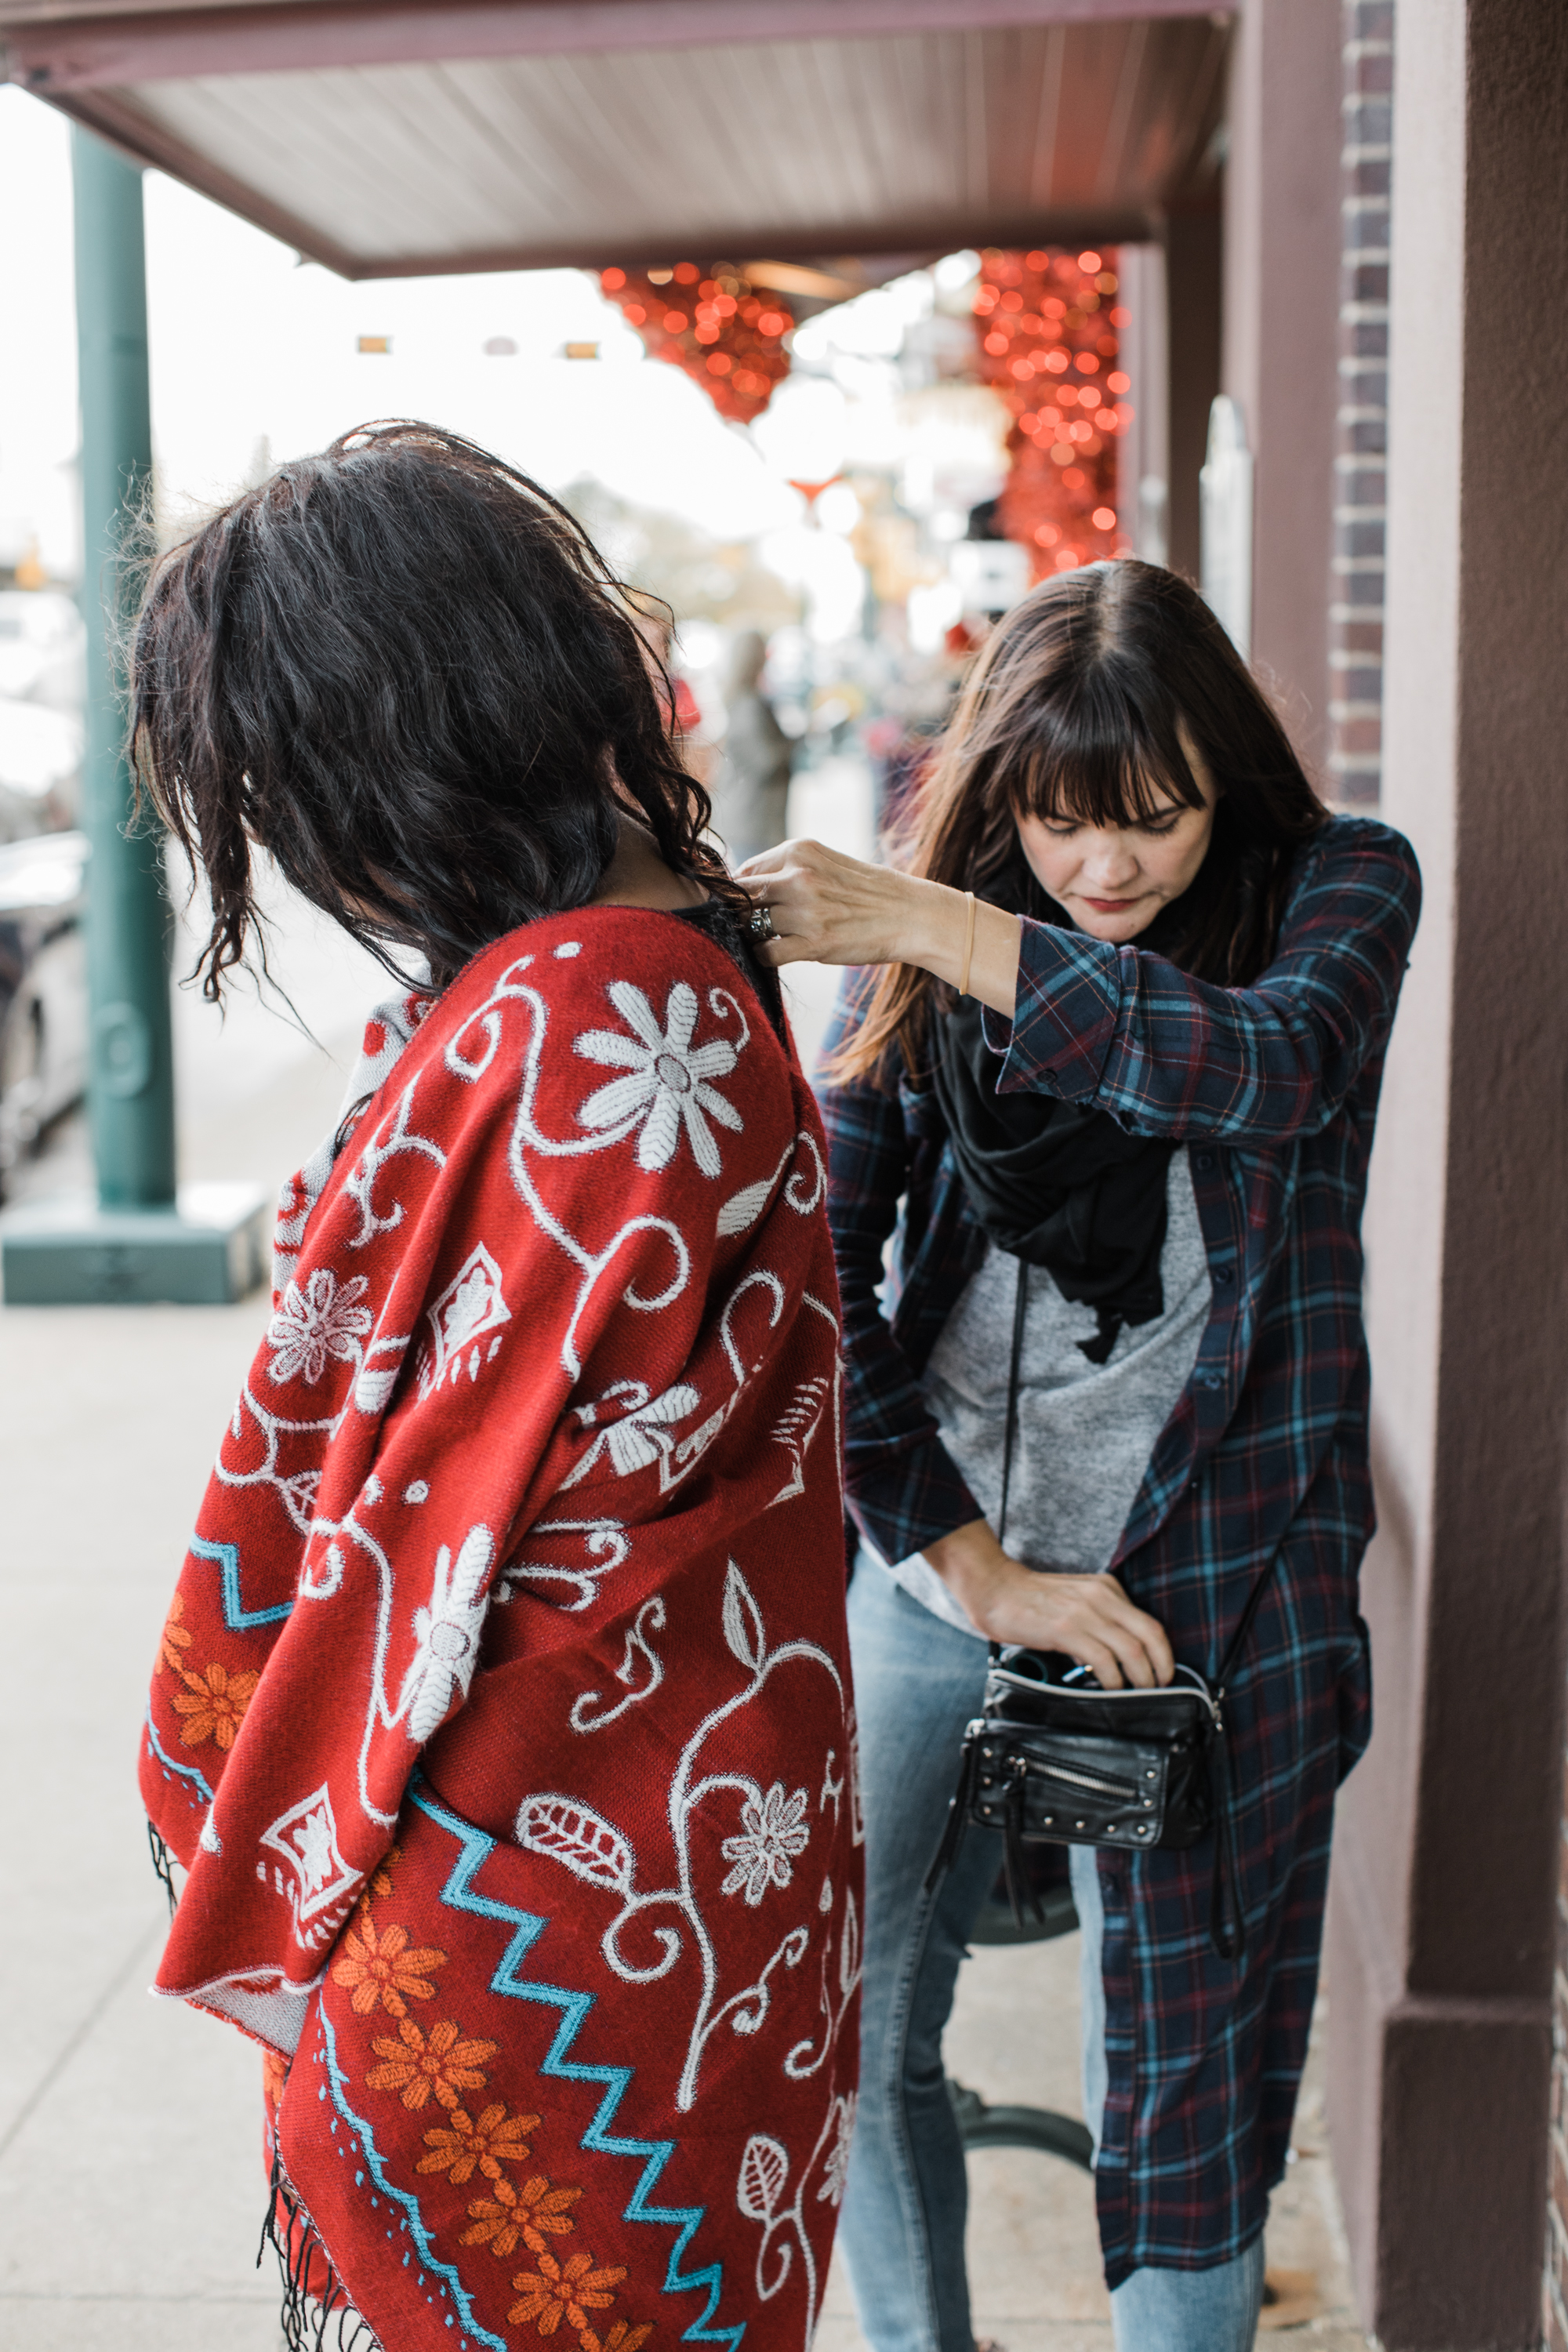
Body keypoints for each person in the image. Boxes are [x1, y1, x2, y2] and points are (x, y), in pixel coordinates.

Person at [133, 423, 859, 2352]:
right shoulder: (662, 955)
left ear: (416, 735)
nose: (314, 852)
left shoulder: (584, 1004)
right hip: (679, 1827)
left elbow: (428, 1505)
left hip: (523, 1881)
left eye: (301, 786)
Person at [735, 557, 1420, 2352]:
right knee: (846, 2009)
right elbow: (819, 1266)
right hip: (942, 1565)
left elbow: (1264, 1067)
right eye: (1056, 820)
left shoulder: (1335, 886)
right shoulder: (926, 951)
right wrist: (965, 1561)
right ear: (1003, 793)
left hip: (1212, 1592)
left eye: (1153, 816)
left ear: (1225, 784)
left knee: (1184, 2074)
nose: (1103, 867)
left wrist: (931, 922)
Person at [710, 630, 793, 866]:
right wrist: (794, 741)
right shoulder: (748, 705)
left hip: (751, 815)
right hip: (752, 817)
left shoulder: (745, 699)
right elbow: (766, 761)